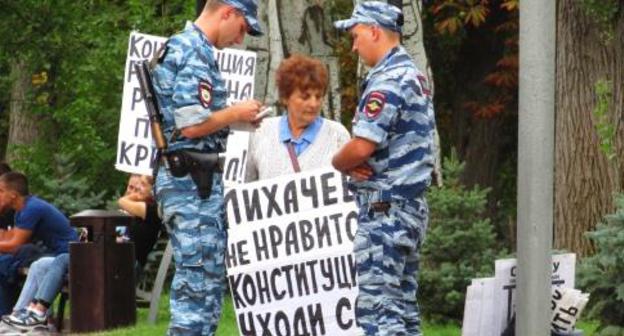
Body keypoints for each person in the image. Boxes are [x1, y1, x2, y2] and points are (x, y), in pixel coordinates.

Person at [151, 0, 263, 334]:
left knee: (205, 285)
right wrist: (235, 113)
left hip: (191, 181)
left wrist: (235, 121)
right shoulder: (193, 50)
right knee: (197, 289)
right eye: (243, 28)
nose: (240, 39)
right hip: (190, 183)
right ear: (227, 11)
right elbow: (190, 125)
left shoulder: (188, 48)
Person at [331, 2, 437, 335]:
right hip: (407, 206)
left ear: (374, 30)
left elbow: (363, 145)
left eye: (356, 34)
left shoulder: (387, 81)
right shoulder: (412, 74)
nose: (354, 45)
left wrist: (338, 162)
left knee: (378, 314)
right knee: (402, 311)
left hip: (385, 210)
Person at [245, 54, 350, 181]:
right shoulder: (260, 132)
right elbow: (246, 187)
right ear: (285, 97)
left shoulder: (337, 135)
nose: (314, 104)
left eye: (318, 96)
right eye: (305, 97)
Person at [0, 172, 78, 315]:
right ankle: (15, 315)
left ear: (13, 194)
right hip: (51, 253)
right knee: (6, 263)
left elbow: (14, 245)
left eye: (1, 191)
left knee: (6, 264)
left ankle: (17, 316)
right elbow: (8, 239)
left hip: (67, 254)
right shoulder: (21, 211)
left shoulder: (32, 208)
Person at [0, 253, 69, 333]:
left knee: (62, 258)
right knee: (39, 264)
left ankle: (41, 315)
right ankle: (18, 313)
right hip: (78, 253)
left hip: (83, 260)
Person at [118, 174, 162, 270]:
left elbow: (122, 201)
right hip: (124, 260)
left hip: (131, 264)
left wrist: (136, 195)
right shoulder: (146, 207)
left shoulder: (152, 209)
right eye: (131, 187)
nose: (138, 187)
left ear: (153, 189)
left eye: (143, 184)